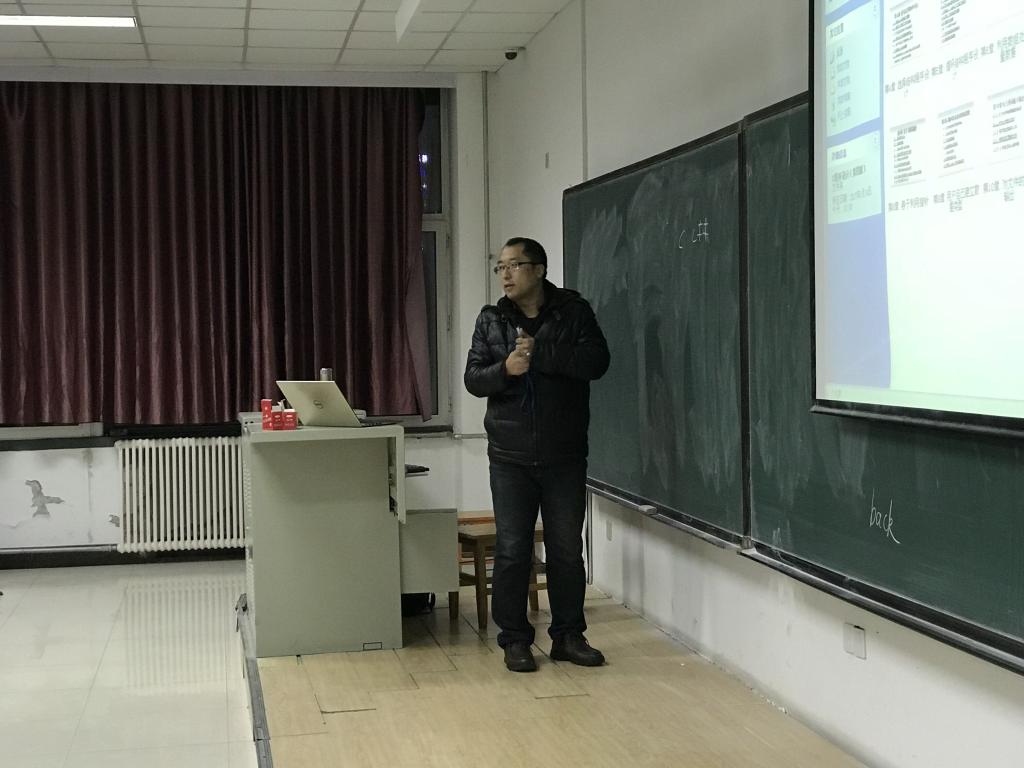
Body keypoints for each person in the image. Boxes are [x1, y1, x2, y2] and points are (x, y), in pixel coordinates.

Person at [464, 237, 610, 672]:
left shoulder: (574, 312)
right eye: (500, 267)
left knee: (566, 550)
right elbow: (474, 378)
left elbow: (597, 362)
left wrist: (541, 353)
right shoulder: (491, 319)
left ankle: (568, 636)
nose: (505, 274)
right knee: (512, 550)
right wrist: (505, 369)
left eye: (514, 265)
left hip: (564, 454)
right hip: (509, 457)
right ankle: (514, 639)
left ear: (540, 269)